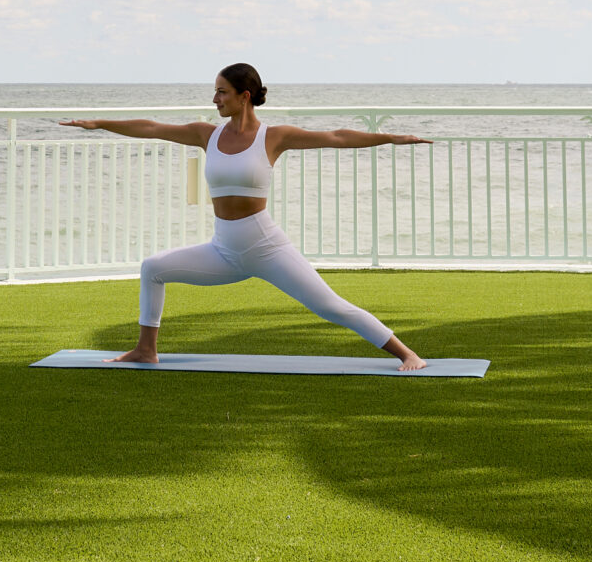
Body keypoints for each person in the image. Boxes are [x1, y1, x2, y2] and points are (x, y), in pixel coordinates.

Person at [62, 64, 431, 371]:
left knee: (331, 307)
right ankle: (145, 350)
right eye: (215, 91)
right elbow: (153, 128)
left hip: (266, 246)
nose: (214, 99)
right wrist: (99, 124)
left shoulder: (274, 137)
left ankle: (407, 354)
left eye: (222, 92)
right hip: (223, 249)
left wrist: (392, 138)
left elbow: (335, 136)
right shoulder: (206, 134)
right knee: (152, 268)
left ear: (245, 96)